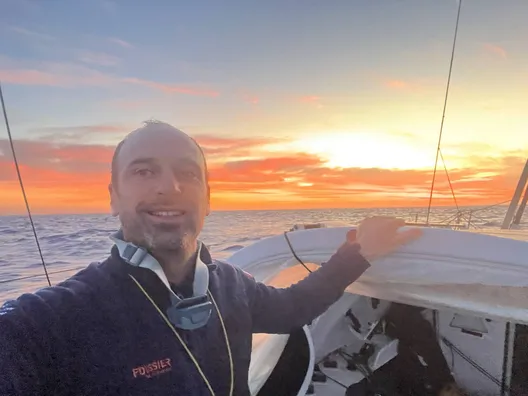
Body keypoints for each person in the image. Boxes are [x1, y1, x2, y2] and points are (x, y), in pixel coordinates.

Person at [0, 120, 422, 396]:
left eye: (187, 173)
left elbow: (294, 307)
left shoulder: (231, 285)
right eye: (144, 171)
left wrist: (358, 252)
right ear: (113, 197)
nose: (171, 187)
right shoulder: (56, 320)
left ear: (208, 198)